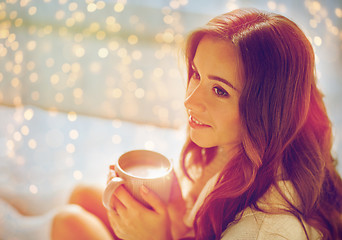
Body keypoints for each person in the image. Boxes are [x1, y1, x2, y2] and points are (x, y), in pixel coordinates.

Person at [51, 8, 342, 240]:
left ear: (267, 109)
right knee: (84, 196)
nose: (190, 101)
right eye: (196, 74)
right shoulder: (242, 144)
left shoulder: (265, 229)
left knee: (68, 224)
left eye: (220, 90)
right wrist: (178, 218)